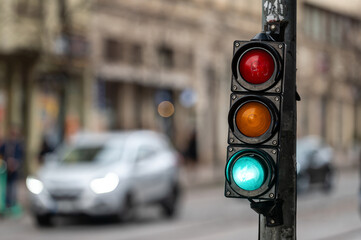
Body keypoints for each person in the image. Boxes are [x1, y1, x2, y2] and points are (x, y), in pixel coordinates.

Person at [0, 126, 24, 208]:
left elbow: (21, 157)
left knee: (13, 187)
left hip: (14, 170)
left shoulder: (18, 145)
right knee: (7, 187)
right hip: (7, 170)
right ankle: (7, 203)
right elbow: (2, 153)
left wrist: (15, 163)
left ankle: (13, 203)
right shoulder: (6, 144)